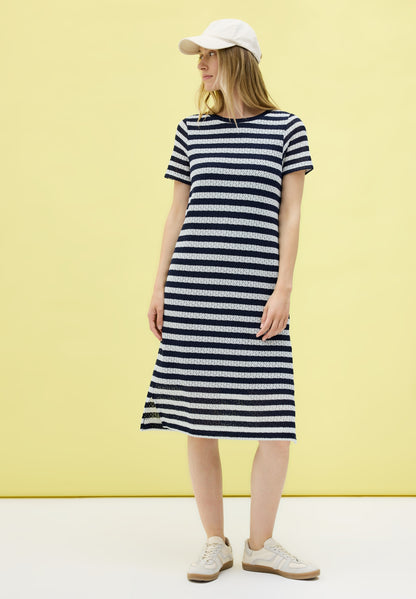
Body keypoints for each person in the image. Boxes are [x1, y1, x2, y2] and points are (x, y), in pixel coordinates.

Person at [140, 18, 320, 583]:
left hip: (257, 294)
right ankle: (213, 543)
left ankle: (260, 545)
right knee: (199, 421)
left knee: (275, 424)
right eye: (198, 54)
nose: (200, 63)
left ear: (238, 57)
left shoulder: (287, 129)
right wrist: (159, 285)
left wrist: (283, 287)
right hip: (195, 291)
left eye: (210, 53)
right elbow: (176, 214)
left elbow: (291, 215)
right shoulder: (191, 132)